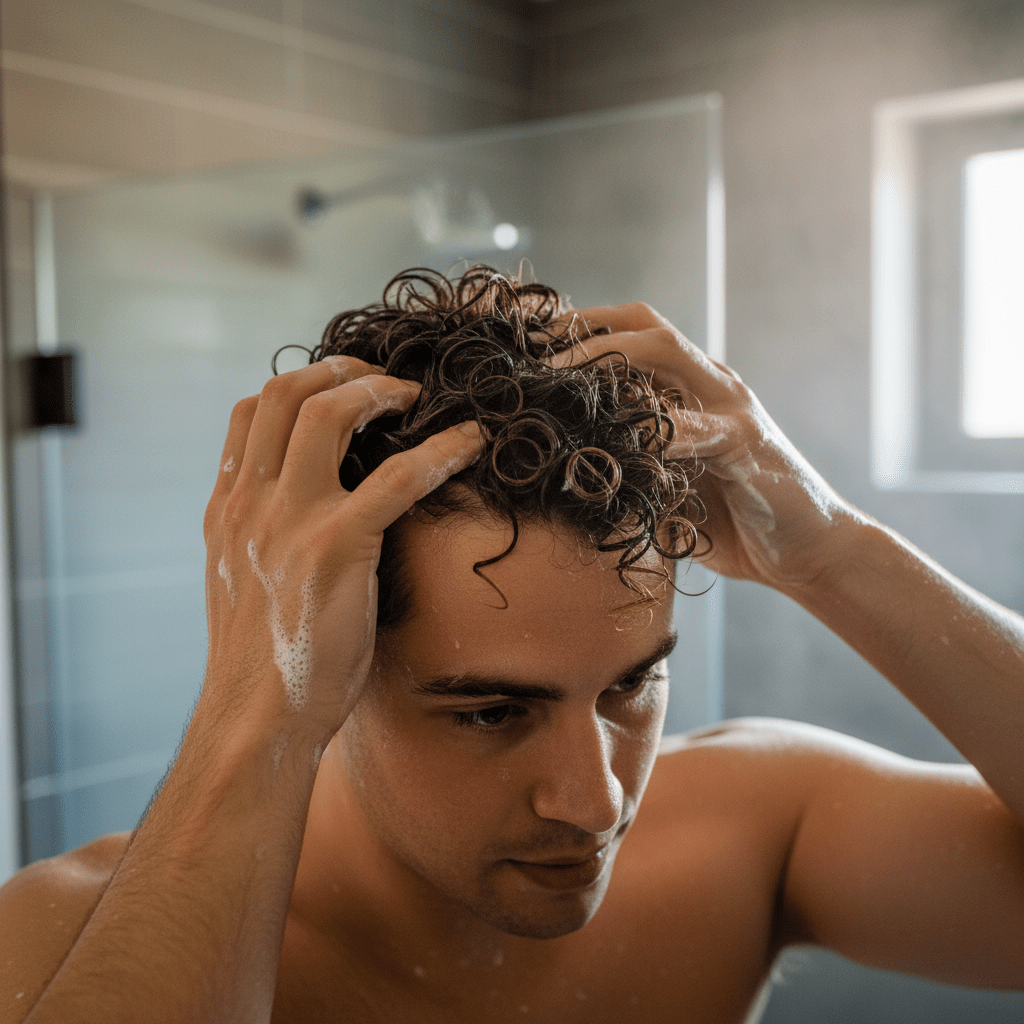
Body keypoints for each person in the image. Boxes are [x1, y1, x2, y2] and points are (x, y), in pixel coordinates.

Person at [2, 266, 1022, 1024]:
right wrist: (255, 697)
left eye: (632, 684)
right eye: (491, 710)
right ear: (332, 660)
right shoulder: (59, 942)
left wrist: (838, 553)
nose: (597, 801)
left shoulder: (752, 832)